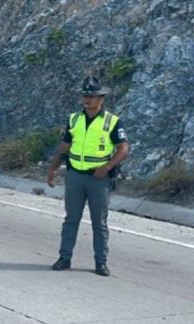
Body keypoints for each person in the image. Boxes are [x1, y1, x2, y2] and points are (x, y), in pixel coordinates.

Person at [47, 76, 130, 276]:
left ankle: (101, 263)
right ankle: (64, 258)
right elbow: (65, 145)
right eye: (85, 95)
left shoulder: (112, 122)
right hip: (75, 175)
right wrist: (53, 167)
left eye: (91, 96)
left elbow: (123, 149)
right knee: (71, 219)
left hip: (98, 179)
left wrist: (107, 167)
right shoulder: (74, 119)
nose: (87, 99)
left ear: (101, 99)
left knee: (99, 223)